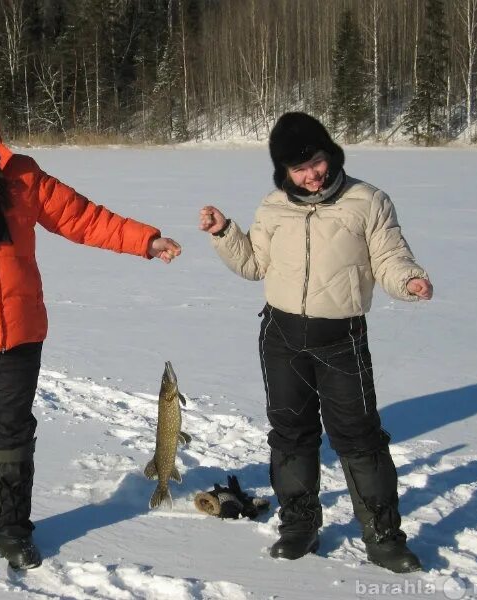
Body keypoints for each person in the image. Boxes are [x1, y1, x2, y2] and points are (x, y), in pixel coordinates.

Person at [0, 86, 181, 578]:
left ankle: (12, 530)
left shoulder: (23, 175)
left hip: (19, 332)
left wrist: (144, 240)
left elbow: (82, 217)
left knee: (13, 433)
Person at [199, 112, 432, 574]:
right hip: (282, 337)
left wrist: (409, 280)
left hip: (341, 338)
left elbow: (389, 256)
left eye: (317, 162)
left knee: (359, 438)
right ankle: (298, 525)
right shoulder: (273, 207)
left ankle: (384, 536)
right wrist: (225, 234)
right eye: (298, 169)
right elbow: (253, 265)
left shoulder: (368, 200)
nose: (311, 175)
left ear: (331, 155)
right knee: (290, 434)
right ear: (284, 172)